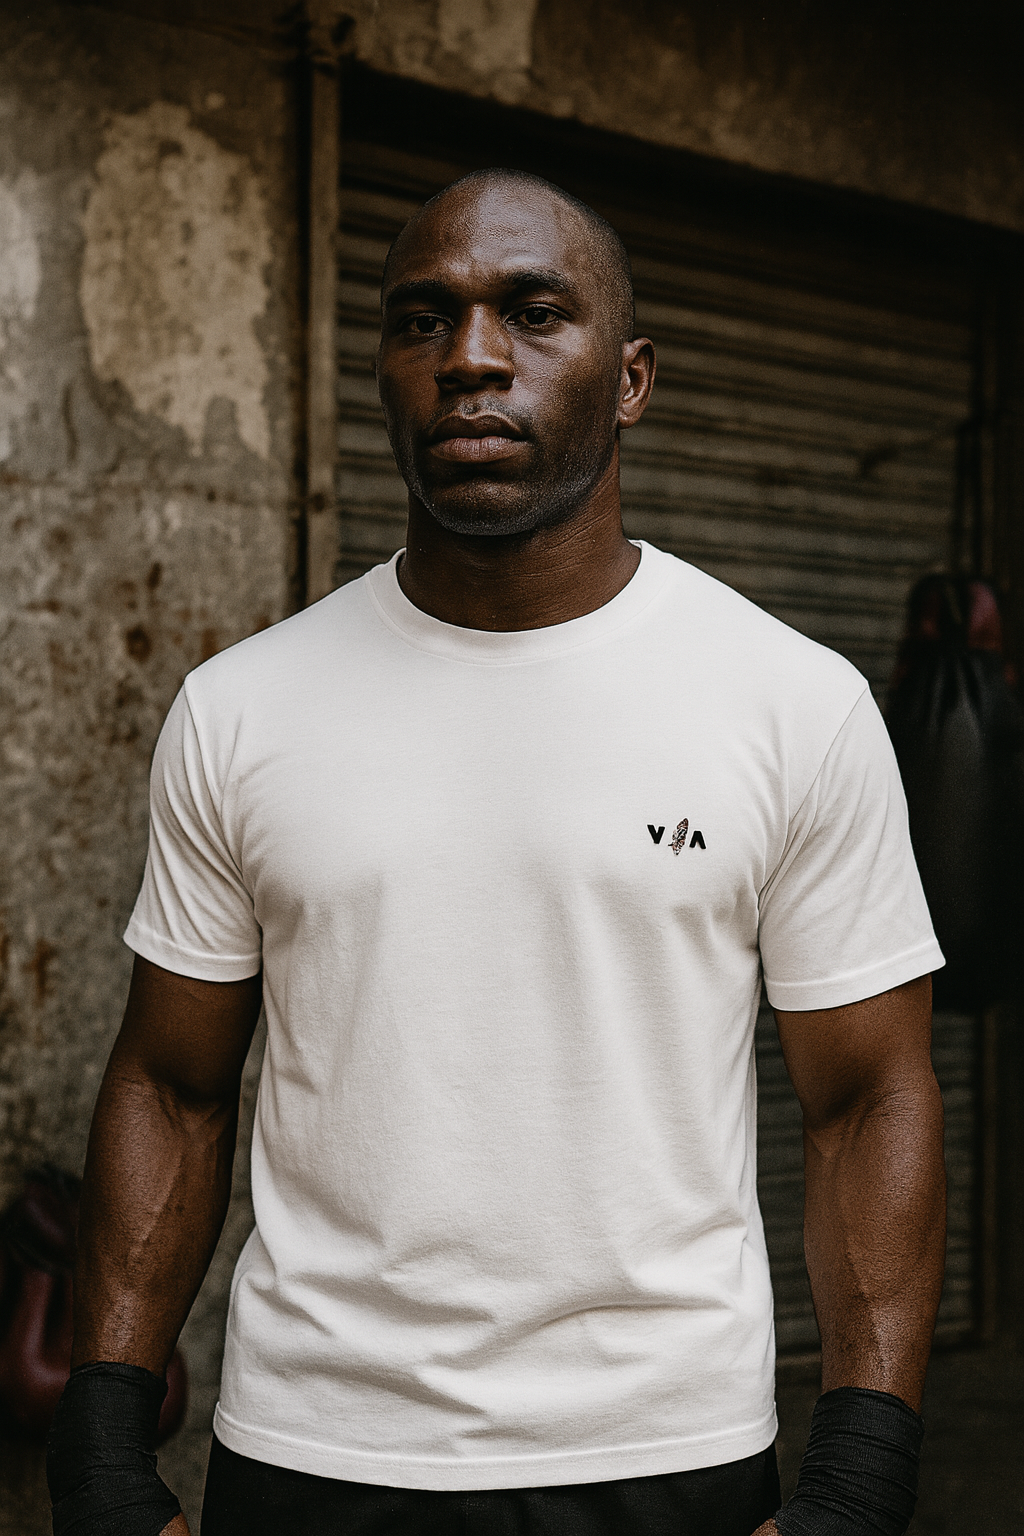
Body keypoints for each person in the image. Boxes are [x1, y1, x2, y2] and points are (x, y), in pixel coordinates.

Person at [48, 170, 947, 1536]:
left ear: (631, 377)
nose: (470, 358)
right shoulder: (244, 710)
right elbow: (172, 1085)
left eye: (532, 313)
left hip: (670, 1452)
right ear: (386, 372)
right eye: (424, 320)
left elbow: (868, 1097)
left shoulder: (790, 703)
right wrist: (102, 1462)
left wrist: (861, 1483)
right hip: (314, 1451)